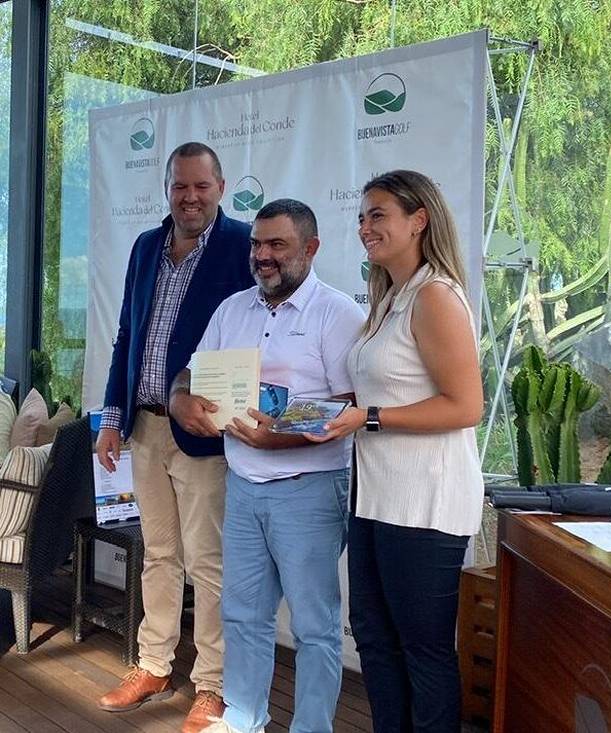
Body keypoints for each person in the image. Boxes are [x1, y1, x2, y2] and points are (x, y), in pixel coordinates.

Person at [168, 198, 365, 733]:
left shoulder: (339, 313)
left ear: (311, 248)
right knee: (243, 617)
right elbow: (188, 378)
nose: (263, 255)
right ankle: (244, 718)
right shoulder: (233, 309)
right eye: (258, 244)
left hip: (310, 489)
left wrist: (274, 438)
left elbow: (348, 407)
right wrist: (180, 402)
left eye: (277, 244)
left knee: (316, 628)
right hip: (245, 488)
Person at [311, 170, 484, 731]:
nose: (365, 227)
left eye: (378, 214)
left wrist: (371, 418)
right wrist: (314, 411)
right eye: (362, 216)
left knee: (423, 651)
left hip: (425, 505)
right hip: (375, 498)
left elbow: (465, 407)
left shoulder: (434, 296)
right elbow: (379, 390)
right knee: (376, 641)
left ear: (419, 219)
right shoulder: (389, 298)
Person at [96, 142, 254, 733]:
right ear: (168, 190)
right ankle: (154, 665)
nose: (190, 197)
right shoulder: (144, 247)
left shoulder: (242, 246)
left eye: (201, 186)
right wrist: (113, 418)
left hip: (204, 433)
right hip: (145, 427)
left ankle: (212, 685)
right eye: (180, 187)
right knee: (158, 555)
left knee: (208, 563)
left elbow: (256, 330)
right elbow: (125, 338)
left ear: (220, 186)